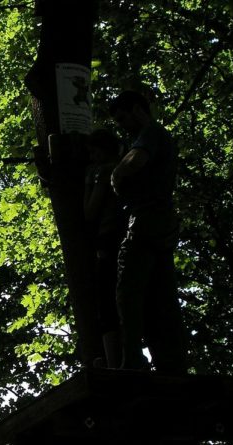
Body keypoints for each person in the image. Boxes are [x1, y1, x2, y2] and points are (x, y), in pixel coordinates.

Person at [109, 90, 187, 374]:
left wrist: (117, 173)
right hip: (162, 223)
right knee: (162, 295)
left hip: (146, 221)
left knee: (128, 292)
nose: (122, 126)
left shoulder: (150, 134)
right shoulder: (157, 136)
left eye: (122, 118)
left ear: (137, 110)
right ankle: (172, 362)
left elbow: (137, 160)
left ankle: (132, 360)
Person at [84, 128, 126, 368]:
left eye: (93, 151)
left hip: (108, 238)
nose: (91, 156)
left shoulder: (103, 172)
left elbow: (89, 211)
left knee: (107, 301)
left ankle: (113, 363)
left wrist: (88, 182)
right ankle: (126, 358)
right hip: (125, 236)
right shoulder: (123, 168)